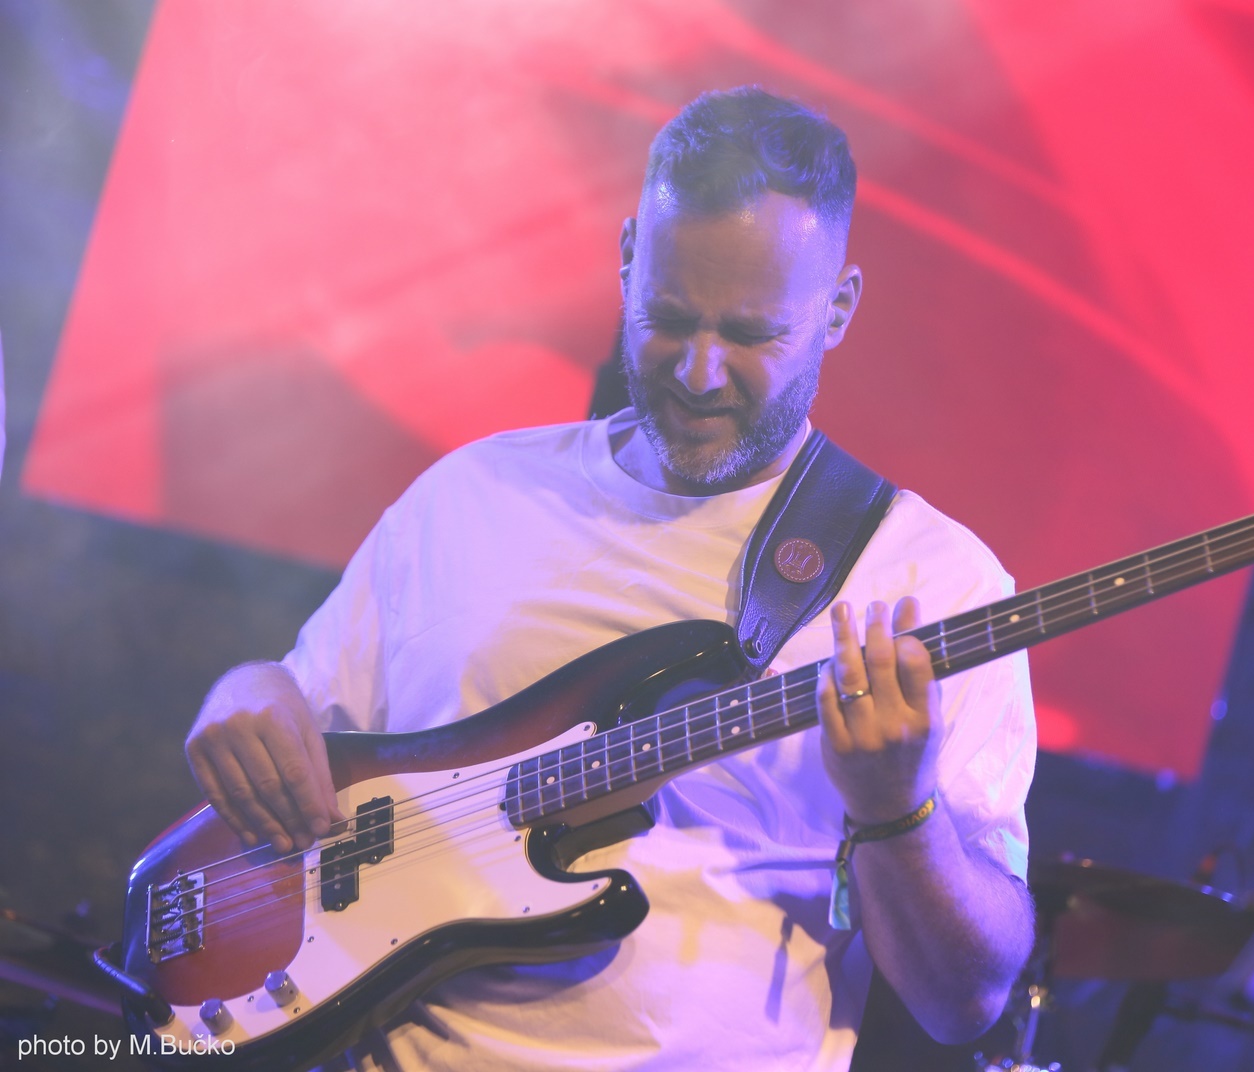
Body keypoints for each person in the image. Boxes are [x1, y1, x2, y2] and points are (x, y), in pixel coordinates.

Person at [185, 86, 1036, 1071]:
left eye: (752, 334)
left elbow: (963, 1000)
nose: (701, 372)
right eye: (670, 317)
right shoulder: (473, 492)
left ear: (837, 308)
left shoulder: (935, 581)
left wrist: (898, 809)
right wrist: (248, 689)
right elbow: (301, 718)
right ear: (628, 259)